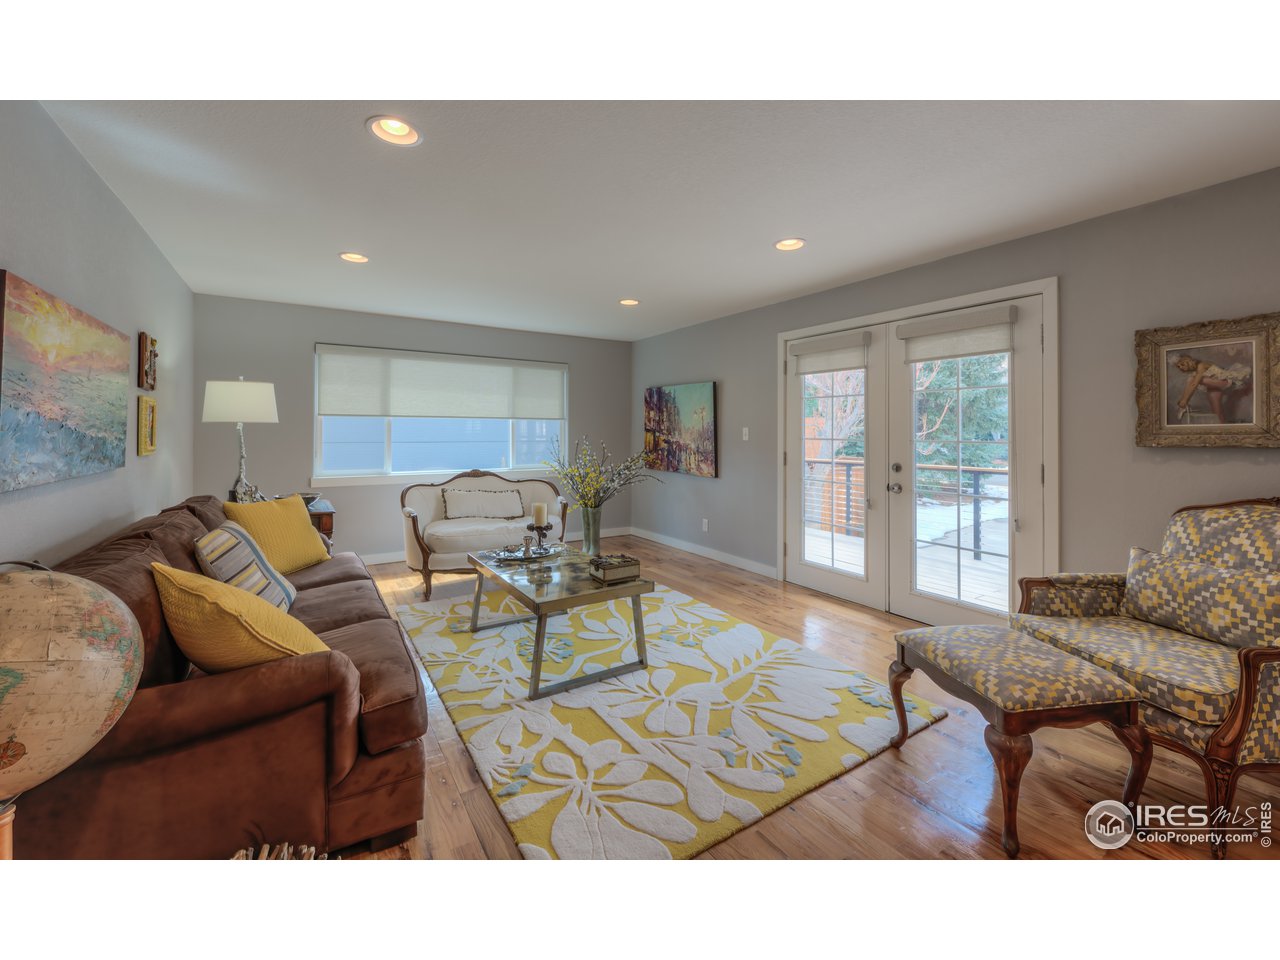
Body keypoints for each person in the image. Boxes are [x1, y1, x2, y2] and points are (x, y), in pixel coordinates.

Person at [1173, 354, 1252, 424]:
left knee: (1193, 379)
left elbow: (1194, 384)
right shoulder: (1194, 373)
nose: (1181, 368)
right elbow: (1190, 385)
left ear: (1188, 361)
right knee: (1217, 413)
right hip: (1214, 387)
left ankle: (1183, 404)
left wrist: (1184, 401)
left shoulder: (1201, 365)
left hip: (1225, 381)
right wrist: (1183, 399)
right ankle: (1223, 431)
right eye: (1179, 367)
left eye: (1182, 364)